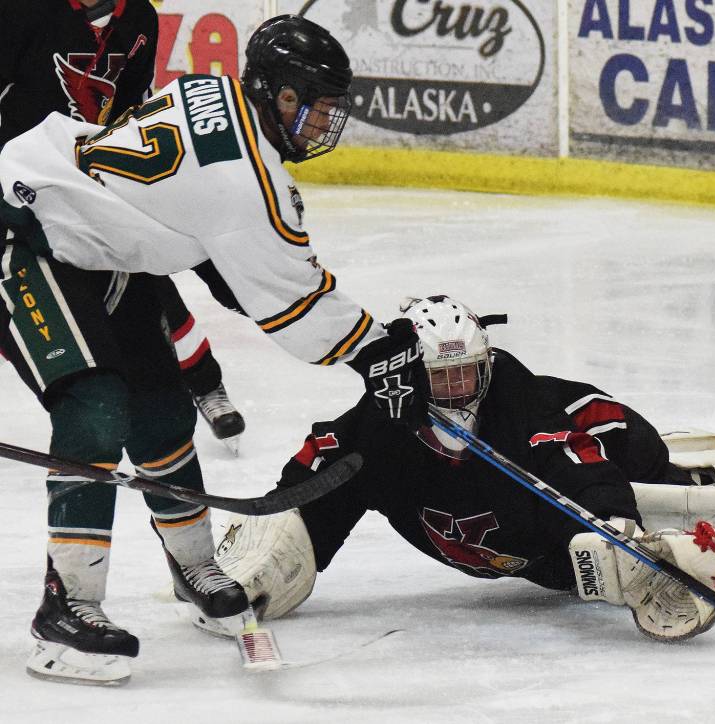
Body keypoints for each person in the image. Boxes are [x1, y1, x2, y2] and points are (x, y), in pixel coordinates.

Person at [0, 14, 429, 684]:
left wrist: (219, 267)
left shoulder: (213, 91)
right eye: (303, 104)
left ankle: (194, 567)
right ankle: (66, 612)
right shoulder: (253, 180)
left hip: (91, 233)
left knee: (164, 408)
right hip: (25, 229)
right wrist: (382, 354)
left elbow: (180, 203)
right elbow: (298, 305)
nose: (319, 124)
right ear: (271, 91)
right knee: (94, 407)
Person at [216, 295, 715, 643]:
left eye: (469, 372)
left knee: (634, 478)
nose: (461, 389)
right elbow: (322, 464)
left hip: (597, 453)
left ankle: (700, 479)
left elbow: (575, 459)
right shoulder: (381, 428)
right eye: (443, 378)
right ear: (410, 375)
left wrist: (614, 524)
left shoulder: (524, 412)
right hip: (524, 556)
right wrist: (273, 543)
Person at [0, 0, 246, 448]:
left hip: (83, 173)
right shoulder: (21, 11)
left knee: (145, 266)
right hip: (17, 181)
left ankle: (205, 381)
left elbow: (129, 108)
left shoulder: (139, 18)